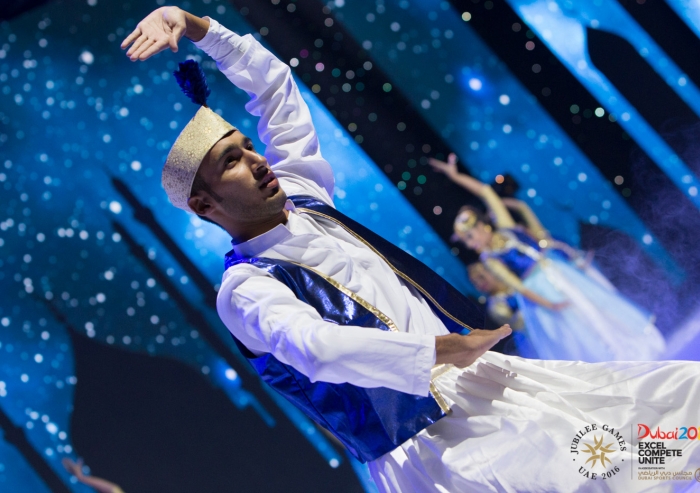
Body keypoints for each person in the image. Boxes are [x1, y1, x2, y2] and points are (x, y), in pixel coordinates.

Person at [122, 8, 699, 491]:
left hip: (476, 385)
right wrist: (437, 350)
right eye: (232, 162)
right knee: (578, 474)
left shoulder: (303, 194)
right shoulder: (246, 287)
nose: (257, 161)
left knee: (642, 432)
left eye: (248, 148)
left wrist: (198, 27)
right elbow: (316, 347)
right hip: (428, 444)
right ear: (203, 205)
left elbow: (276, 91)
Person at [429, 153, 666, 362]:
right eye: (467, 241)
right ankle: (610, 362)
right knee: (576, 328)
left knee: (592, 308)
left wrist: (456, 176)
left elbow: (487, 192)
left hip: (556, 269)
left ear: (483, 225)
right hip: (540, 288)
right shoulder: (490, 259)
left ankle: (627, 349)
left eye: (471, 235)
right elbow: (519, 287)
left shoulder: (506, 228)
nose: (472, 243)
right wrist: (549, 304)